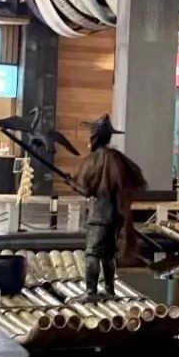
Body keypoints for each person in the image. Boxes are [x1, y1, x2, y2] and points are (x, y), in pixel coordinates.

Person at [73, 114, 146, 298]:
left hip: (99, 215)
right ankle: (109, 289)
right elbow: (137, 181)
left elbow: (85, 190)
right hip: (115, 215)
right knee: (107, 254)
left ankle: (91, 291)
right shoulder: (118, 158)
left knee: (92, 253)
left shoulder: (93, 160)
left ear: (95, 136)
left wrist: (69, 182)